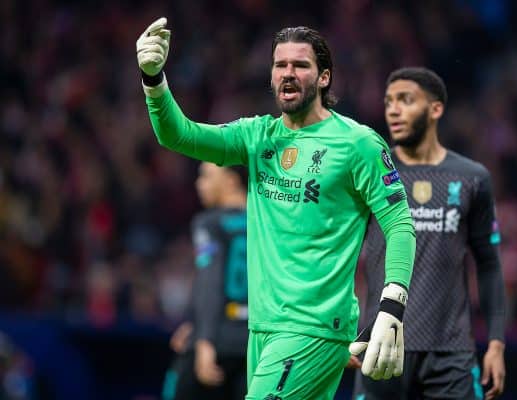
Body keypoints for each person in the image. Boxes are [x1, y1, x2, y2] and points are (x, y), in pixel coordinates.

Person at [137, 18, 416, 399]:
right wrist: (154, 81)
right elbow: (178, 134)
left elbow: (399, 223)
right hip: (263, 328)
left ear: (323, 78)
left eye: (300, 65)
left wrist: (392, 306)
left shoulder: (358, 144)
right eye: (279, 65)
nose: (288, 73)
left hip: (311, 328)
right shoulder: (257, 137)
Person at [352, 67, 506, 400]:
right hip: (382, 346)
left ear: (435, 109)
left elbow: (489, 265)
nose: (393, 109)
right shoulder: (372, 172)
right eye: (389, 101)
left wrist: (496, 342)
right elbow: (341, 256)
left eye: (405, 100)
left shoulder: (472, 178)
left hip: (451, 355)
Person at [162, 162, 249, 400]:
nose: (199, 184)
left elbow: (210, 279)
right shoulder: (267, 224)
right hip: (254, 343)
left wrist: (204, 339)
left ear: (232, 180)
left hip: (217, 340)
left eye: (207, 176)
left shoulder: (210, 223)